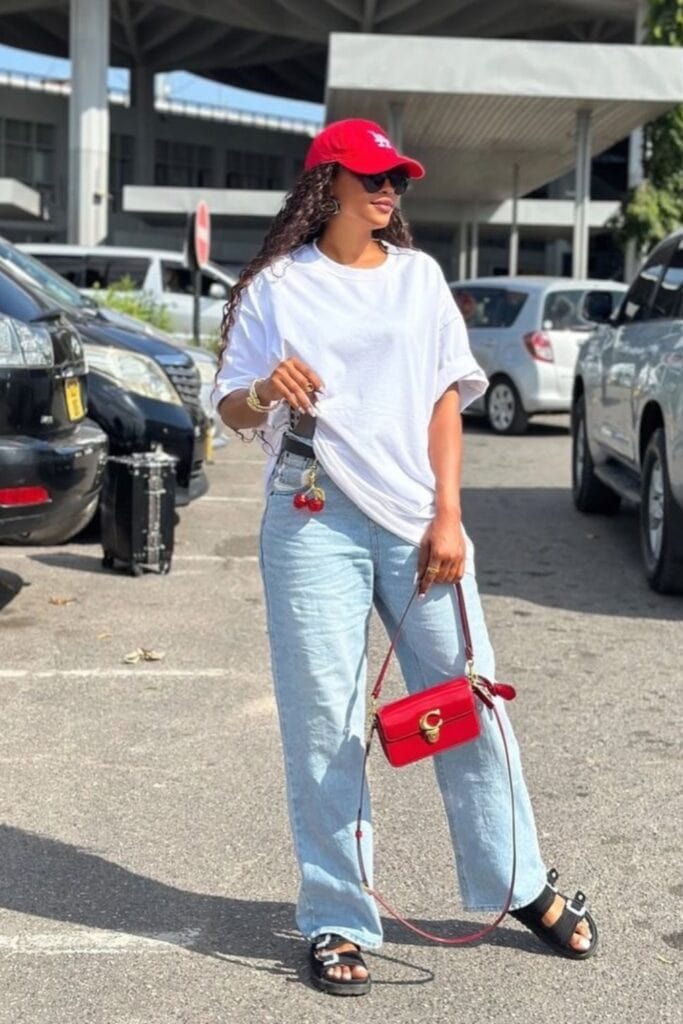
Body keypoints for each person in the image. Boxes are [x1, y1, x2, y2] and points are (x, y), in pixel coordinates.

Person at [212, 119, 598, 997]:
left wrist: (449, 516)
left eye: (398, 180)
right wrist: (267, 389)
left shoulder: (418, 278)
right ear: (327, 185)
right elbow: (229, 407)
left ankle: (518, 882)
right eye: (373, 177)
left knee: (468, 699)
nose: (389, 190)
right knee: (325, 722)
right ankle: (337, 915)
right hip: (310, 517)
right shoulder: (277, 287)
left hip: (417, 520)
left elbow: (442, 401)